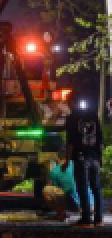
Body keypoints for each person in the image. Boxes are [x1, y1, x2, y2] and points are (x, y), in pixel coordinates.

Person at [62, 96, 104, 228]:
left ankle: (86, 219)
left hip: (81, 157)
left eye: (69, 103)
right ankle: (98, 219)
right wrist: (100, 157)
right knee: (96, 188)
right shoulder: (93, 115)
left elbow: (71, 142)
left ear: (73, 103)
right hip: (95, 156)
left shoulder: (72, 118)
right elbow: (100, 138)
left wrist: (67, 161)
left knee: (83, 187)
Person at [43, 149, 93, 221]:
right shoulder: (80, 165)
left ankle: (61, 214)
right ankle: (89, 209)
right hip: (90, 204)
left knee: (47, 190)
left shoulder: (55, 170)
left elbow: (57, 188)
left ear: (58, 158)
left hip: (75, 204)